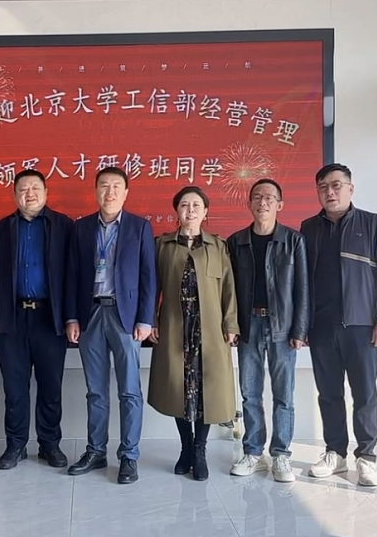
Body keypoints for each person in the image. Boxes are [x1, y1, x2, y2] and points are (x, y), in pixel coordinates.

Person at [300, 163, 377, 487]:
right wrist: (303, 325)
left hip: (362, 327)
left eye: (336, 185)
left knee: (365, 394)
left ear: (350, 189)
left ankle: (366, 457)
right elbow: (302, 280)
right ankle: (335, 453)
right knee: (329, 394)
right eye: (323, 187)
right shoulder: (309, 228)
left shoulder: (372, 224)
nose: (330, 192)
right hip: (321, 327)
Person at [65, 167, 157, 485]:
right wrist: (72, 317)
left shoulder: (140, 227)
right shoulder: (81, 228)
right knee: (95, 390)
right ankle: (96, 451)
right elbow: (72, 274)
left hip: (125, 317)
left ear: (126, 192)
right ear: (95, 191)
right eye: (104, 185)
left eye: (117, 186)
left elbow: (149, 276)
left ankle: (129, 456)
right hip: (90, 314)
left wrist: (146, 318)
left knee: (129, 390)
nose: (110, 192)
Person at [148, 186, 239, 482]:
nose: (190, 210)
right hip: (175, 327)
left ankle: (199, 450)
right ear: (177, 211)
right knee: (177, 387)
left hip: (209, 331)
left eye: (196, 205)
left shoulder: (218, 246)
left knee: (206, 391)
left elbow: (228, 289)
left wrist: (231, 325)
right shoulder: (162, 245)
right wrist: (151, 319)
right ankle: (185, 446)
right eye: (184, 205)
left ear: (205, 211)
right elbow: (151, 287)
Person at [0, 170, 74, 470]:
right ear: (14, 195)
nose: (30, 194)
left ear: (47, 193)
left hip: (50, 318)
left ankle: (50, 444)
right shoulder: (4, 228)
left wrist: (70, 317)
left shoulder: (63, 225)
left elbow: (72, 275)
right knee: (15, 388)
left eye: (35, 188)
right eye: (23, 189)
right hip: (12, 318)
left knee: (50, 386)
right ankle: (16, 445)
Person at [226, 179, 309, 483]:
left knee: (283, 395)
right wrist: (232, 325)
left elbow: (303, 287)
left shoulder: (294, 241)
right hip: (248, 325)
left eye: (270, 198)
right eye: (257, 197)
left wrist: (300, 329)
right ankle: (253, 452)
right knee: (250, 393)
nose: (263, 202)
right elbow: (229, 289)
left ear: (280, 205)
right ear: (249, 203)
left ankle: (281, 454)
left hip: (282, 328)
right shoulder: (236, 242)